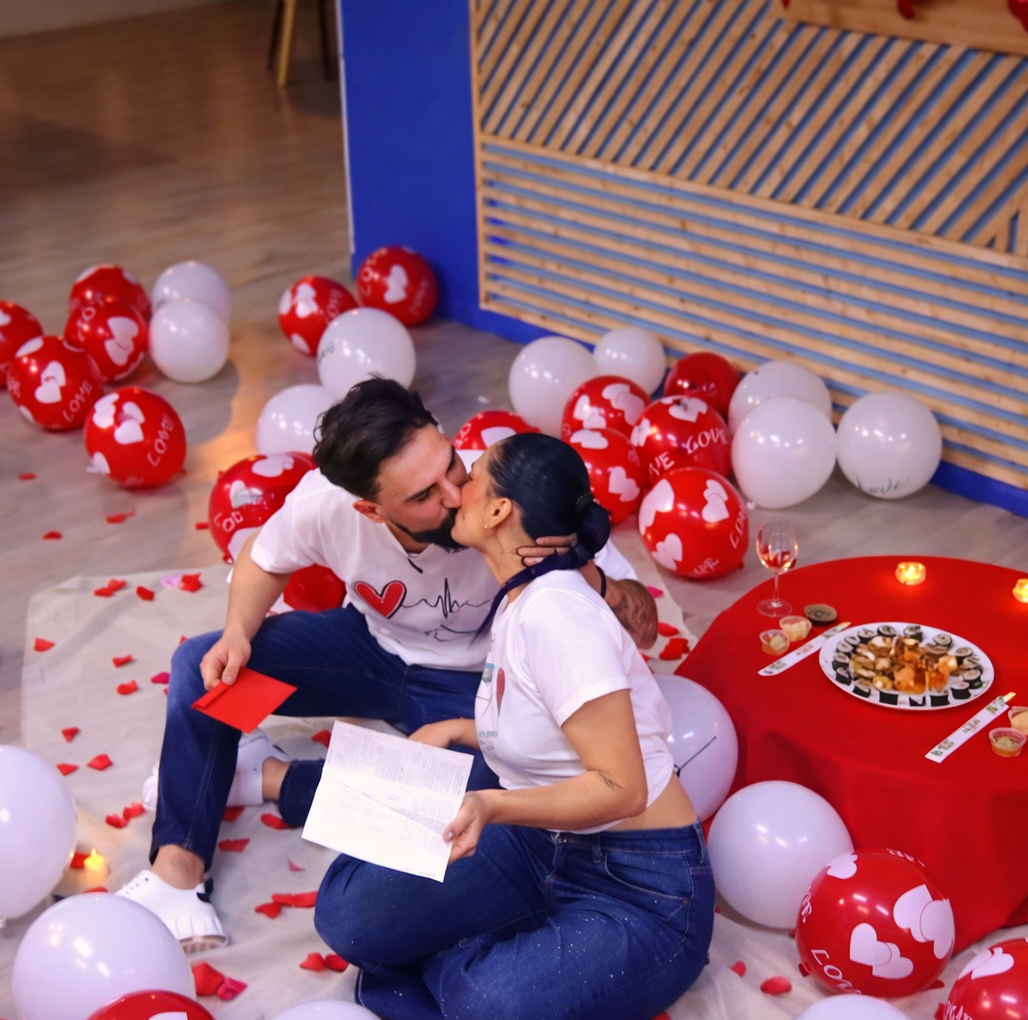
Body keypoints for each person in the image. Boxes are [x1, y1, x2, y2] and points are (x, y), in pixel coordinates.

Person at [117, 379, 659, 952]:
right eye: (424, 496)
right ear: (370, 509)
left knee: (504, 785)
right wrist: (236, 632)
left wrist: (583, 571)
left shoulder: (505, 494)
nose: (455, 495)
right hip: (368, 651)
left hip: (473, 682)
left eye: (451, 465)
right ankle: (178, 871)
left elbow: (644, 627)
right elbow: (262, 558)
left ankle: (272, 778)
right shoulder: (326, 504)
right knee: (199, 666)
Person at [314, 433, 712, 1020]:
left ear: (500, 510)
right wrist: (457, 729)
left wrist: (491, 805)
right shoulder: (520, 599)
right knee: (346, 915)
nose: (455, 492)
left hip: (639, 884)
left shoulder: (558, 614)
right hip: (539, 843)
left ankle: (485, 959)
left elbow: (623, 789)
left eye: (469, 475)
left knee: (487, 1004)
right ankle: (497, 948)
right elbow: (543, 727)